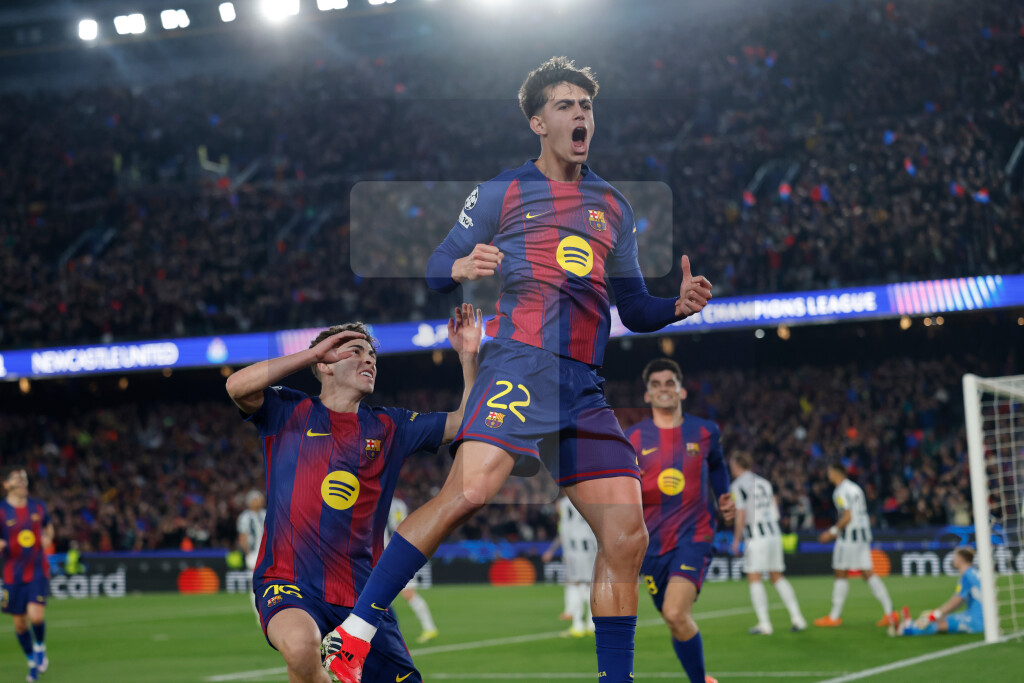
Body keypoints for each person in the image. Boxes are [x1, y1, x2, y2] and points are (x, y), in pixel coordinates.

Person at [323, 56, 713, 683]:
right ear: (538, 122)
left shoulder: (614, 206)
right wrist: (459, 267)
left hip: (583, 385)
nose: (580, 115)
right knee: (469, 494)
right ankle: (354, 634)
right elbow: (437, 265)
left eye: (586, 106)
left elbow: (635, 307)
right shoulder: (500, 192)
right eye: (565, 105)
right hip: (520, 361)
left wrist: (676, 306)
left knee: (626, 536)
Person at [226, 305, 481, 683]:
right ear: (326, 364)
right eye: (356, 351)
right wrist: (311, 353)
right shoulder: (288, 410)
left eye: (372, 354)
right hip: (288, 582)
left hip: (363, 598)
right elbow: (236, 386)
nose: (370, 359)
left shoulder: (390, 425)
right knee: (300, 646)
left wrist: (468, 358)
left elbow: (466, 422)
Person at [624, 358, 733, 683]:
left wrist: (723, 496)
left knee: (675, 612)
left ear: (681, 390)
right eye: (656, 384)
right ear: (647, 395)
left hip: (695, 536)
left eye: (669, 382)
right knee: (674, 620)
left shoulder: (706, 431)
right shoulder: (631, 438)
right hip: (652, 545)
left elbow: (717, 465)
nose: (664, 389)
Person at [728, 451, 806, 635]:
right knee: (776, 576)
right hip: (773, 533)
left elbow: (741, 514)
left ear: (736, 465)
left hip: (756, 536)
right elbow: (774, 508)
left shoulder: (737, 485)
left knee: (754, 576)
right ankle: (798, 618)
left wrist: (736, 539)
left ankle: (764, 624)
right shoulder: (764, 482)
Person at [814, 460, 895, 629]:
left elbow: (847, 516)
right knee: (867, 573)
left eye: (829, 472)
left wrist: (831, 533)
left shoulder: (840, 491)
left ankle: (834, 616)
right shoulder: (855, 488)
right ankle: (890, 613)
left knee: (840, 572)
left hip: (849, 537)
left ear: (835, 473)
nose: (828, 475)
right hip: (863, 534)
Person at [1, 466, 53, 682]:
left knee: (36, 616)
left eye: (24, 478)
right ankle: (31, 662)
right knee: (20, 624)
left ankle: (40, 647)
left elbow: (48, 526)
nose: (23, 481)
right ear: (6, 484)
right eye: (17, 478)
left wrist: (48, 537)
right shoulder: (1, 511)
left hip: (37, 569)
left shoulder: (38, 506)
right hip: (12, 574)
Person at [385, 497, 439, 644]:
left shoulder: (393, 504)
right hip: (392, 552)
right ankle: (428, 628)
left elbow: (398, 526)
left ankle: (428, 628)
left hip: (393, 553)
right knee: (384, 595)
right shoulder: (396, 503)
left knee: (400, 594)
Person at [895, 547, 984, 636]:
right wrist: (937, 614)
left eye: (955, 557)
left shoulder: (966, 577)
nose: (953, 560)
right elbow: (958, 603)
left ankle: (906, 629)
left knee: (932, 624)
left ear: (960, 559)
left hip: (976, 621)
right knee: (940, 618)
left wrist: (932, 616)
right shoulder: (974, 573)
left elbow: (955, 602)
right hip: (980, 617)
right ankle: (909, 623)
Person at [542, 494, 597, 637]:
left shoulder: (565, 504)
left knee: (575, 585)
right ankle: (591, 624)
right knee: (590, 585)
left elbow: (564, 531)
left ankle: (578, 625)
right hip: (590, 548)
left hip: (575, 550)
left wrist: (562, 552)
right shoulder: (590, 500)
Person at [238, 489, 267, 617]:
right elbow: (243, 537)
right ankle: (258, 612)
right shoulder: (245, 517)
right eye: (257, 499)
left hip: (267, 554)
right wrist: (248, 553)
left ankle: (266, 609)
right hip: (254, 554)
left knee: (267, 582)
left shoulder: (265, 513)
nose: (260, 500)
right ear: (250, 502)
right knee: (255, 583)